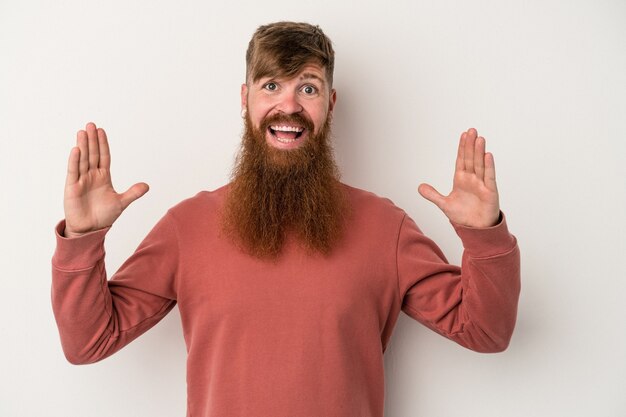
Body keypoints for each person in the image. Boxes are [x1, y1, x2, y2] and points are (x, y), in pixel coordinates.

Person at [52, 21, 520, 417]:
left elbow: (485, 332)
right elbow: (88, 341)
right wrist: (83, 238)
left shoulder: (384, 227)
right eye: (271, 85)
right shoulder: (187, 227)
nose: (290, 105)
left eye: (309, 88)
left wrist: (483, 236)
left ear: (330, 104)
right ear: (245, 98)